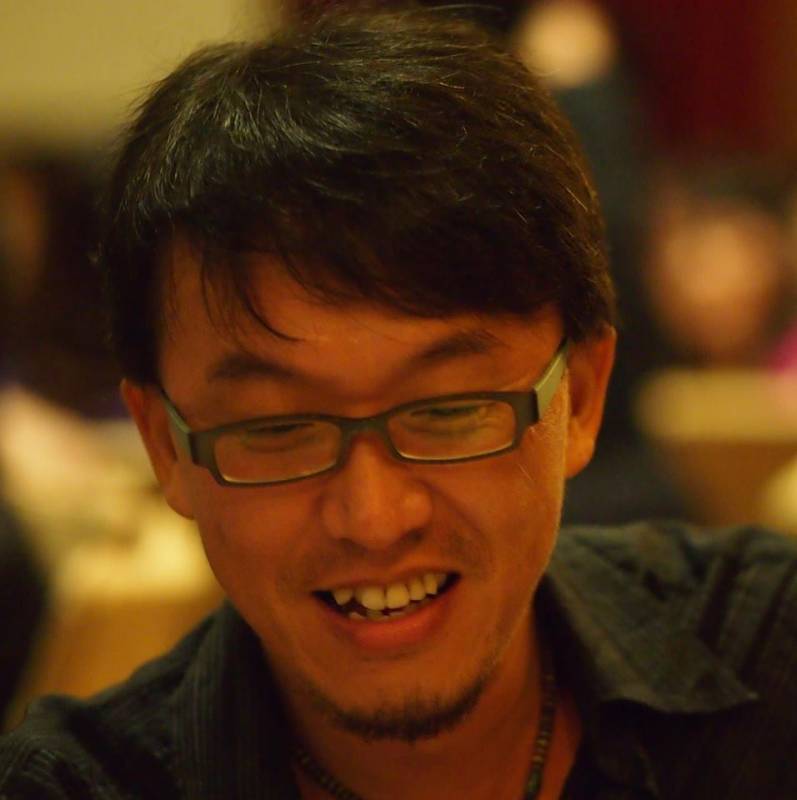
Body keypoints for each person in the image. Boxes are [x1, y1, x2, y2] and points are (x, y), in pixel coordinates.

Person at [1, 6, 796, 798]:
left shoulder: (769, 661)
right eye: (279, 428)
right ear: (165, 445)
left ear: (579, 397)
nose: (374, 517)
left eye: (447, 411)